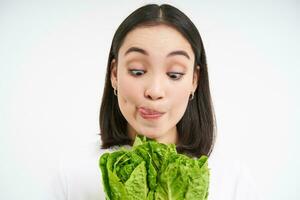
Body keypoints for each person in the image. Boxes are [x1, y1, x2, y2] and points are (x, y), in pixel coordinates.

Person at [49, 3, 261, 200]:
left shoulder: (233, 180)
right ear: (114, 74)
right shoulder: (73, 174)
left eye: (175, 74)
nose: (155, 91)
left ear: (194, 80)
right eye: (137, 71)